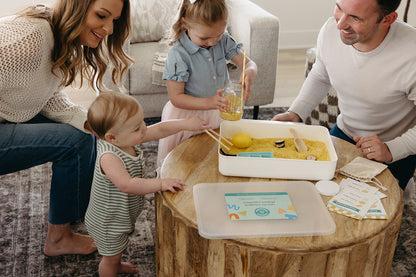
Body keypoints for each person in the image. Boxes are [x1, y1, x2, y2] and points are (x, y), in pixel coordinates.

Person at [0, 0, 133, 256]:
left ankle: (67, 216)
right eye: (102, 16)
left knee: (84, 135)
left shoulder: (58, 36)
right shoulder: (33, 38)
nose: (109, 29)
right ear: (78, 7)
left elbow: (46, 95)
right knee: (74, 143)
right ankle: (59, 238)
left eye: (114, 21)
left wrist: (93, 124)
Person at [272, 0, 416, 190]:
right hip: (343, 133)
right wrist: (296, 112)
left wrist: (392, 149)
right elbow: (321, 74)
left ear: (388, 19)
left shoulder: (411, 54)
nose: (339, 24)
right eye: (339, 8)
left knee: (374, 214)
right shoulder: (331, 29)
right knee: (313, 192)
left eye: (355, 18)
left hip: (391, 150)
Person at [84, 91, 209, 276]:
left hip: (120, 214)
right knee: (108, 258)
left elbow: (159, 129)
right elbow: (127, 184)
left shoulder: (126, 138)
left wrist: (186, 124)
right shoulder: (109, 157)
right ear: (112, 138)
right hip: (108, 221)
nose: (144, 128)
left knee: (116, 252)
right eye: (136, 128)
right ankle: (111, 268)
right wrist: (160, 183)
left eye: (142, 121)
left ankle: (116, 264)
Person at [157, 0, 258, 165]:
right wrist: (209, 102)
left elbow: (249, 63)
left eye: (218, 35)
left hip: (218, 111)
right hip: (186, 115)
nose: (212, 42)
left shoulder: (223, 41)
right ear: (185, 24)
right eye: (205, 38)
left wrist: (250, 71)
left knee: (215, 158)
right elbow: (176, 98)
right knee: (183, 162)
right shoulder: (178, 54)